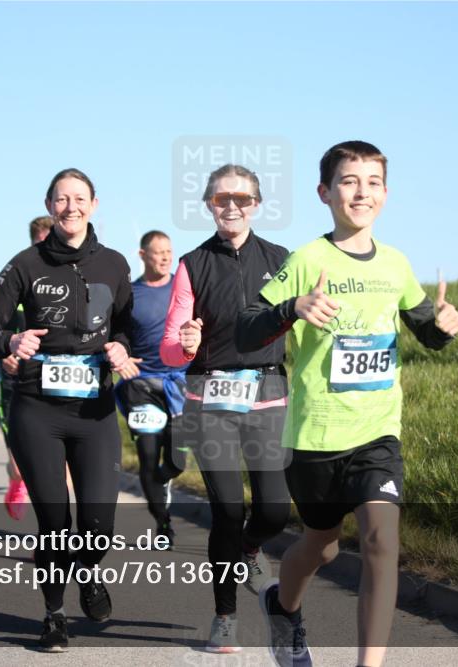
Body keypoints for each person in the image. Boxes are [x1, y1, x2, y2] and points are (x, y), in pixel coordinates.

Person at [237, 141, 458, 667]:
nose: (361, 192)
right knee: (322, 547)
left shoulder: (396, 265)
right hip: (314, 437)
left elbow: (425, 329)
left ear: (386, 194)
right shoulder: (307, 260)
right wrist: (293, 306)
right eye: (348, 181)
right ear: (325, 192)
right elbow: (248, 327)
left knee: (382, 540)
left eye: (372, 182)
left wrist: (443, 327)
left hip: (377, 432)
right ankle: (282, 606)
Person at [0, 168, 140, 652]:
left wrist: (121, 349)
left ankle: (88, 573)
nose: (71, 207)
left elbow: (127, 325)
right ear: (49, 205)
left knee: (98, 525)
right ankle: (53, 615)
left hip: (94, 410)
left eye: (80, 198)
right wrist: (10, 338)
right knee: (54, 521)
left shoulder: (113, 263)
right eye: (62, 199)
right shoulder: (25, 263)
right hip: (37, 409)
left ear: (94, 204)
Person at [160, 164, 291, 653]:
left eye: (241, 197)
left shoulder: (281, 260)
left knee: (275, 510)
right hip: (210, 401)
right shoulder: (192, 264)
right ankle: (225, 616)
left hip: (268, 397)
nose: (231, 206)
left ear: (257, 204)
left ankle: (252, 548)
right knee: (227, 510)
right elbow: (171, 348)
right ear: (209, 206)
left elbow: (302, 321)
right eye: (220, 199)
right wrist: (187, 345)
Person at [116, 230, 185, 546]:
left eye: (169, 251)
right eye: (158, 252)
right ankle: (164, 523)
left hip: (179, 384)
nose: (165, 257)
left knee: (176, 461)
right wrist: (120, 355)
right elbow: (114, 334)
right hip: (141, 384)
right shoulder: (130, 294)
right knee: (147, 453)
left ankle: (162, 480)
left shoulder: (183, 288)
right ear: (142, 255)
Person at [1, 215, 55, 519]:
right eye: (40, 245)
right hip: (16, 381)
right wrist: (2, 353)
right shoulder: (18, 278)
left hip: (57, 382)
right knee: (21, 464)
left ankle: (51, 536)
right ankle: (15, 481)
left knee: (58, 465)